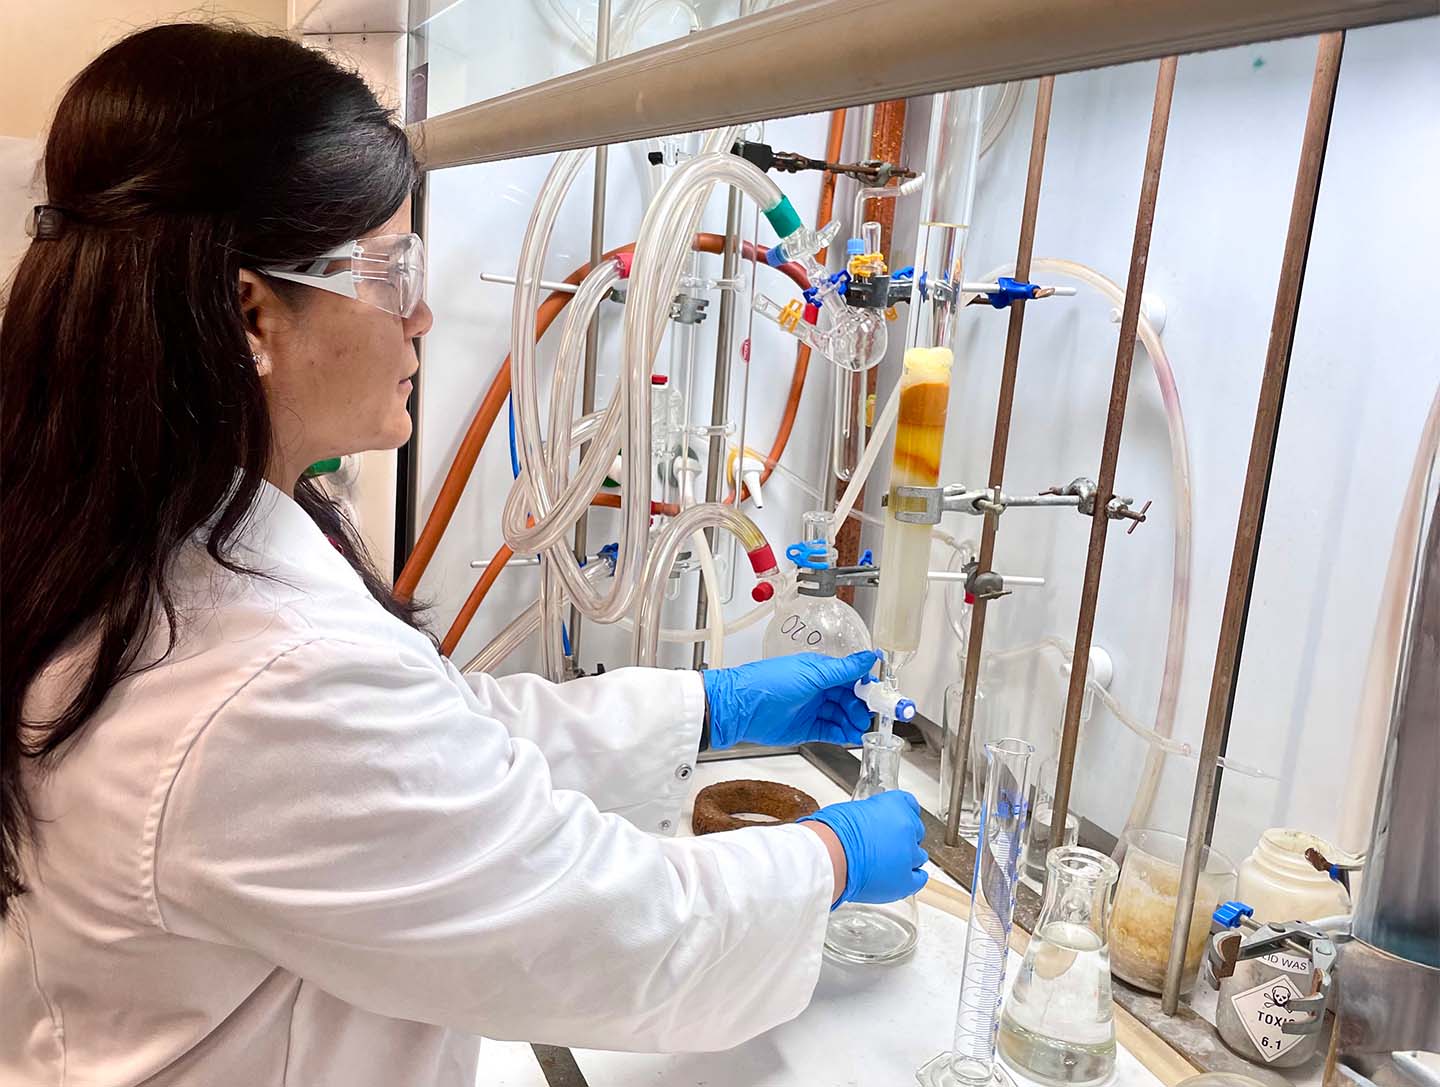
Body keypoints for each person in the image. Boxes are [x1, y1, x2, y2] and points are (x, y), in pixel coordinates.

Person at [0, 24, 928, 1087]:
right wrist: (828, 860)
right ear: (249, 312)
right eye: (392, 273)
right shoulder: (258, 676)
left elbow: (432, 747)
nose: (425, 316)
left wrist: (708, 709)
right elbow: (600, 930)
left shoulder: (135, 525)